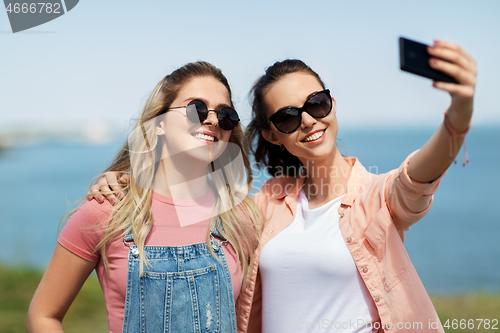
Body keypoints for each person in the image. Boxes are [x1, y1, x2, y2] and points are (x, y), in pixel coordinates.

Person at [89, 40, 476, 333]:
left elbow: (419, 174)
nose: (308, 120)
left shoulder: (377, 196)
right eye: (288, 117)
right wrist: (129, 179)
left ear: (332, 104)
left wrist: (458, 114)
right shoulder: (269, 203)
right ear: (274, 135)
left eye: (317, 104)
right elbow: (192, 210)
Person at [26, 61, 262, 333]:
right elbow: (43, 316)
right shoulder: (109, 209)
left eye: (226, 115)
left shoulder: (240, 218)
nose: (211, 119)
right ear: (158, 124)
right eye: (196, 108)